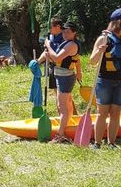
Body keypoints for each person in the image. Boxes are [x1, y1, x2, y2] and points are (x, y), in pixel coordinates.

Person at [89, 8, 121, 149]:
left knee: (115, 112)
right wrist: (99, 51)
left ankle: (112, 143)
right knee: (102, 113)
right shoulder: (104, 38)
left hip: (120, 82)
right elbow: (92, 61)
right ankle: (97, 143)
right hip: (105, 81)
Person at [45, 22, 82, 143]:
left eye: (68, 32)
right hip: (61, 75)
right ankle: (68, 127)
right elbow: (57, 60)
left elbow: (57, 58)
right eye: (64, 31)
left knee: (63, 107)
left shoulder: (71, 45)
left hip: (65, 78)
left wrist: (48, 45)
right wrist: (48, 55)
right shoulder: (66, 43)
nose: (65, 34)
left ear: (74, 33)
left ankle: (60, 135)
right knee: (67, 104)